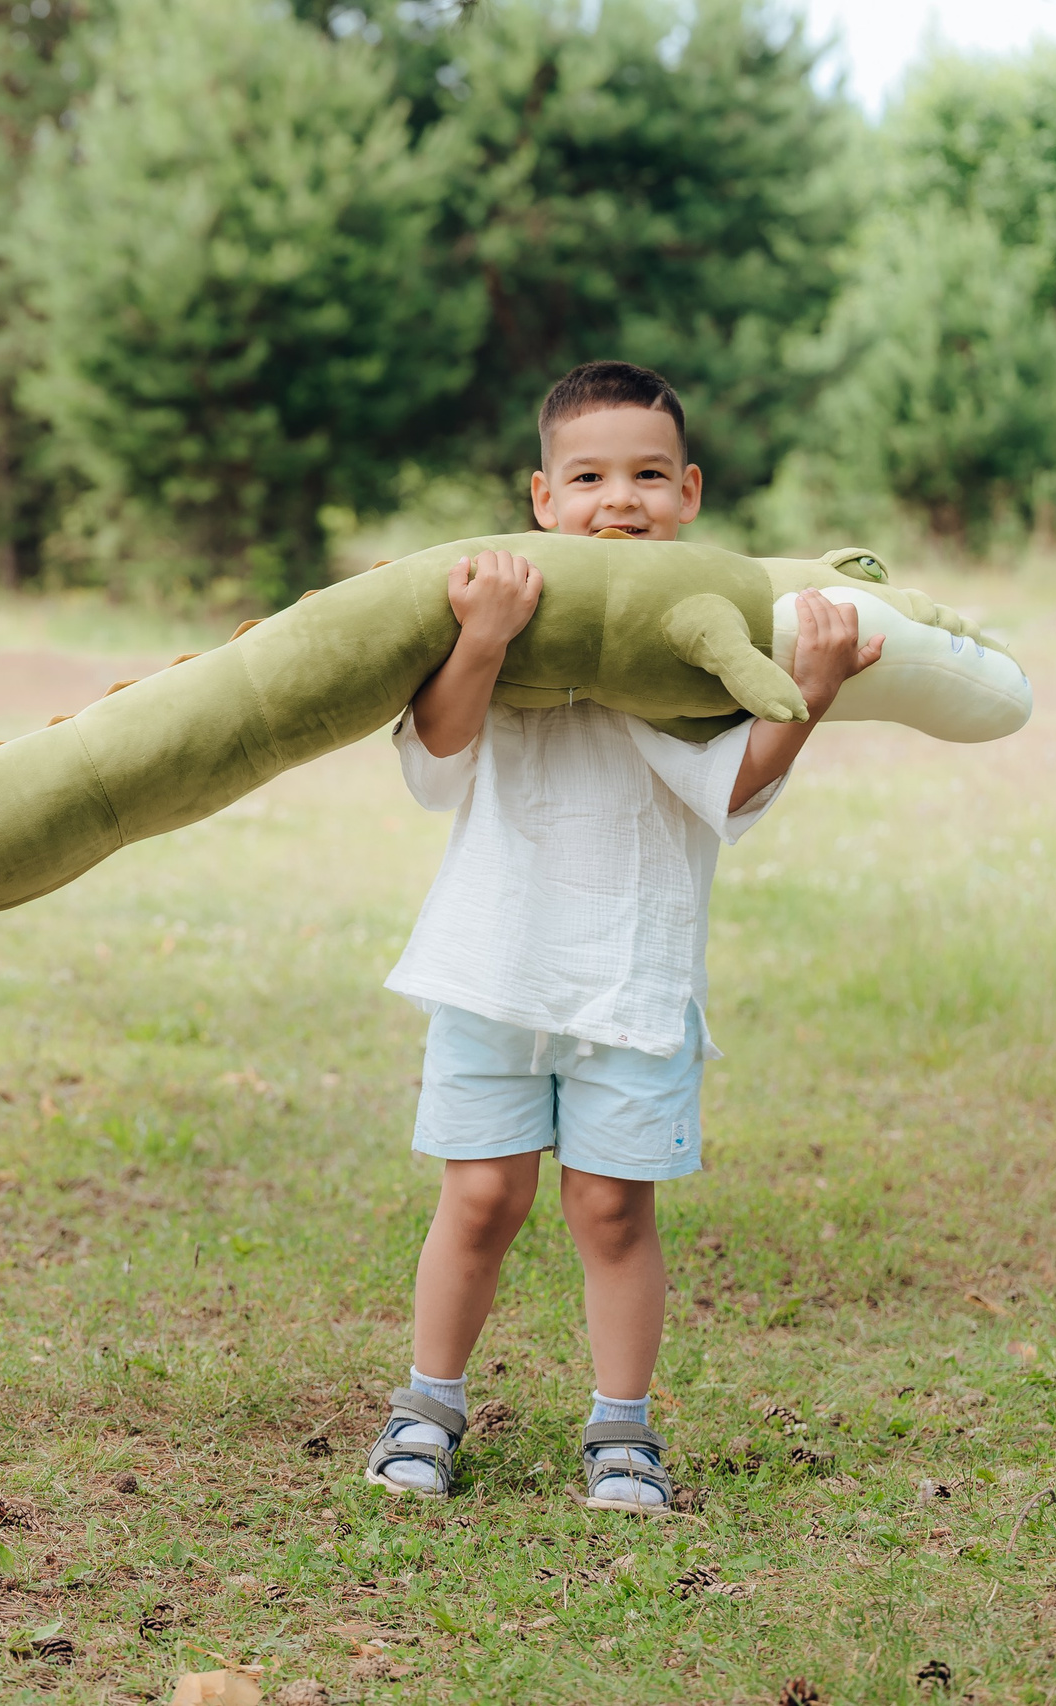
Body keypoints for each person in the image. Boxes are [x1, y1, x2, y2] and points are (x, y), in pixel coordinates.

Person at [361, 362, 881, 1510]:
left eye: (648, 475)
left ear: (688, 492)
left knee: (610, 1207)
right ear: (541, 498)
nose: (619, 500)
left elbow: (730, 789)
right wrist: (484, 635)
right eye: (587, 476)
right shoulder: (512, 625)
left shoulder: (700, 648)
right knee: (481, 1196)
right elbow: (437, 763)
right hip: (490, 970)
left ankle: (621, 1431)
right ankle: (426, 1404)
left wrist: (811, 694)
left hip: (635, 979)